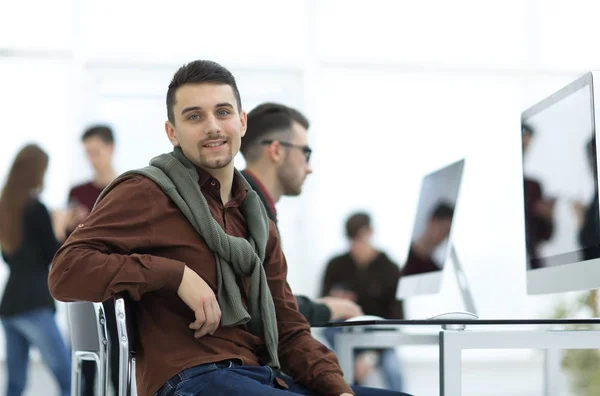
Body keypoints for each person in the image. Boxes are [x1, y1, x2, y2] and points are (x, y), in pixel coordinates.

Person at [48, 60, 411, 396]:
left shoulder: (257, 219)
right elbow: (65, 271)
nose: (212, 126)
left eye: (222, 112)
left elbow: (289, 327)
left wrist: (338, 389)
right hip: (192, 379)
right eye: (194, 116)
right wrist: (174, 275)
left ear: (242, 122)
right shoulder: (147, 193)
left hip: (261, 375)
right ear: (172, 132)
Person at [239, 102, 363, 325]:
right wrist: (325, 309)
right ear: (276, 150)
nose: (309, 167)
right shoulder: (246, 209)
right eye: (305, 153)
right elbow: (265, 307)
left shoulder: (247, 201)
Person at [0, 144, 72, 396]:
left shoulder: (5, 207)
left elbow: (10, 259)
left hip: (9, 306)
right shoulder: (37, 209)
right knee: (67, 377)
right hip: (34, 304)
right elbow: (54, 254)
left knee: (15, 385)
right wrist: (60, 224)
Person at [321, 212, 404, 391]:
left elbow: (397, 319)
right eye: (352, 240)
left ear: (370, 232)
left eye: (359, 239)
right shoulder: (336, 265)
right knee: (336, 369)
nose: (355, 246)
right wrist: (336, 304)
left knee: (393, 370)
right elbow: (322, 308)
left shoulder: (390, 268)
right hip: (344, 332)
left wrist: (370, 357)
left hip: (379, 335)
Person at [66, 125, 119, 396]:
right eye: (87, 152)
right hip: (85, 292)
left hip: (118, 290)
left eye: (95, 151)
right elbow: (68, 246)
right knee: (87, 365)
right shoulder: (78, 193)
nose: (91, 158)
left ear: (110, 149)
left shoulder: (126, 189)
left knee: (118, 369)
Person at [521, 124, 555, 269]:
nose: (524, 152)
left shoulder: (533, 186)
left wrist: (547, 216)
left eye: (526, 147)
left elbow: (545, 235)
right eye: (522, 146)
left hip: (532, 264)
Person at [402, 202, 454, 276]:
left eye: (447, 233)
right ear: (432, 220)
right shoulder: (404, 254)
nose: (443, 236)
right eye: (443, 229)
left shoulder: (435, 271)